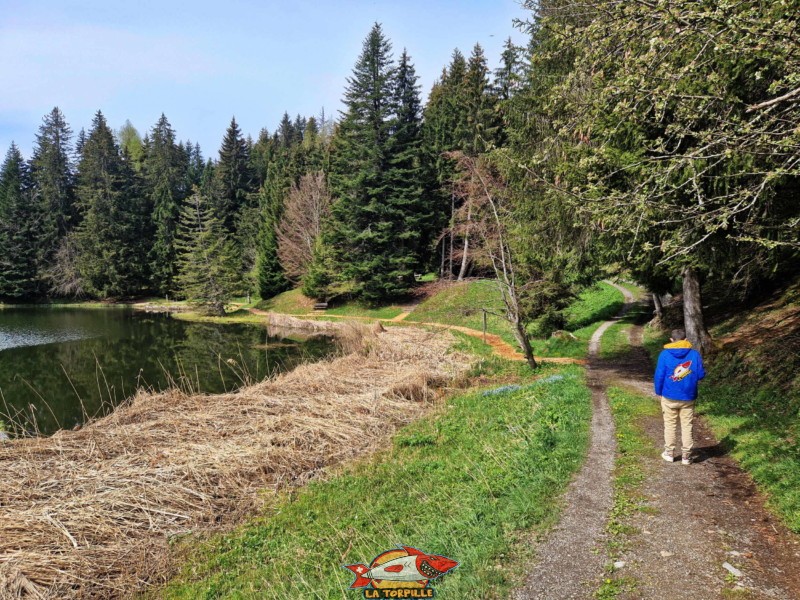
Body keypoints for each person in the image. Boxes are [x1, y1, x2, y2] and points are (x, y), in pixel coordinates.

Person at [654, 328, 705, 465]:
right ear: (686, 340)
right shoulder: (694, 354)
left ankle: (669, 453)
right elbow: (701, 375)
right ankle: (686, 456)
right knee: (687, 425)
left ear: (671, 340)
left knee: (670, 424)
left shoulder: (664, 354)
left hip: (669, 396)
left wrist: (659, 391)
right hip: (688, 396)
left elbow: (659, 375)